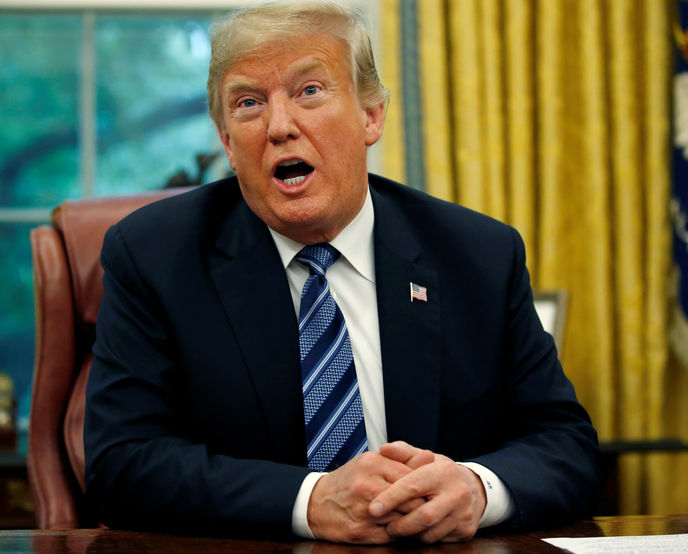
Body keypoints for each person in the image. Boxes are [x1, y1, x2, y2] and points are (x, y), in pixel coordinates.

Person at [83, 0, 603, 545]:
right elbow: (122, 464)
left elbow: (565, 445)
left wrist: (477, 489)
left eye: (309, 91)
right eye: (248, 103)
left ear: (371, 115)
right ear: (226, 141)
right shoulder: (155, 257)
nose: (280, 126)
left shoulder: (477, 256)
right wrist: (310, 501)